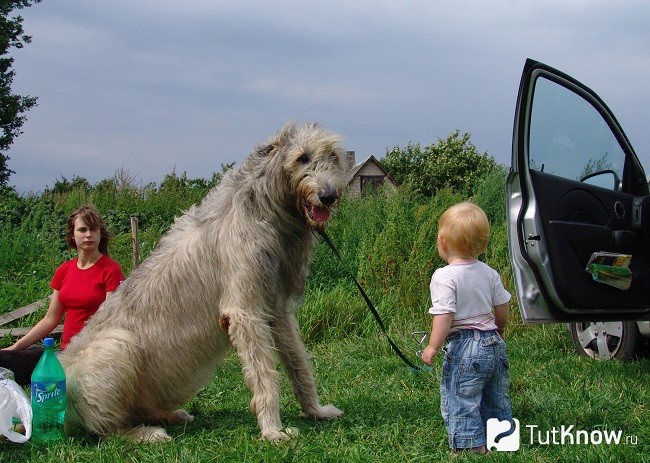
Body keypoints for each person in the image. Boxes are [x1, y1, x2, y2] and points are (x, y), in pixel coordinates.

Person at [421, 202, 512, 455]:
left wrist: (433, 346)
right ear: (483, 244)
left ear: (442, 242)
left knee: (461, 396)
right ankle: (501, 441)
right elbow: (502, 305)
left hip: (465, 347)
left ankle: (472, 447)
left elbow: (444, 314)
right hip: (493, 343)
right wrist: (500, 329)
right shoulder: (490, 273)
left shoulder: (444, 276)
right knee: (495, 397)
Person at [0, 205, 124, 384]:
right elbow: (50, 319)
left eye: (93, 229)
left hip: (95, 353)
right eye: (82, 229)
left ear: (100, 234)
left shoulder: (111, 270)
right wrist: (15, 348)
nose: (88, 234)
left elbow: (111, 320)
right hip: (66, 352)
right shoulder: (64, 271)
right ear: (73, 235)